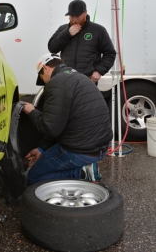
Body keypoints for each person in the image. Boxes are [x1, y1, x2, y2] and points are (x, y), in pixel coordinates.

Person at [22, 53, 113, 185]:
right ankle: (84, 168)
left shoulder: (56, 82)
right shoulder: (79, 77)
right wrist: (41, 149)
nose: (44, 82)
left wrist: (32, 112)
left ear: (46, 68)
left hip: (81, 151)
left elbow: (50, 128)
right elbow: (59, 124)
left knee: (34, 178)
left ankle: (81, 172)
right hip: (100, 148)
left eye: (42, 77)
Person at [48, 0, 116, 84]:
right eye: (72, 16)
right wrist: (67, 34)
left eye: (77, 16)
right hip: (66, 80)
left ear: (85, 13)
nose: (74, 19)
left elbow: (110, 53)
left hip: (88, 81)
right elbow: (52, 48)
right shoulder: (63, 29)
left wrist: (99, 71)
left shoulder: (98, 30)